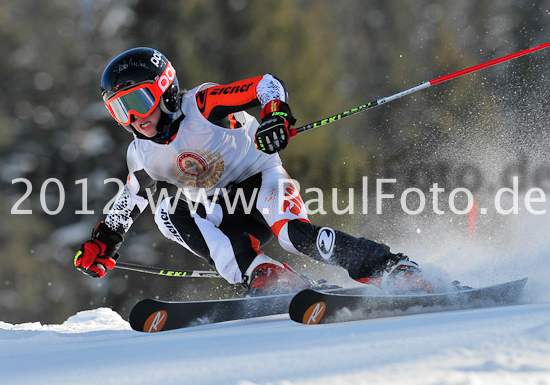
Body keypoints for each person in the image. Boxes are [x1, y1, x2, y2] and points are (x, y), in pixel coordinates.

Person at [74, 47, 424, 295]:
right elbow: (130, 199)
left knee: (293, 236)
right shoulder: (141, 151)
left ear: (165, 89)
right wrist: (105, 240)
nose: (134, 118)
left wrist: (276, 115)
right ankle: (262, 272)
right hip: (225, 211)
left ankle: (389, 267)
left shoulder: (202, 104)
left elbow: (266, 84)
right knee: (166, 211)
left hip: (262, 181)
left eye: (138, 102)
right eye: (121, 110)